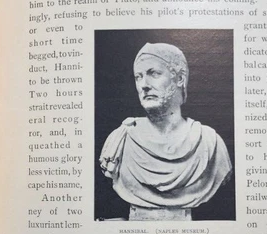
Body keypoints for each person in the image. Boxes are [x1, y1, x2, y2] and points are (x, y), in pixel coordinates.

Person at [99, 42, 232, 220]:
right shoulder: (121, 140)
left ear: (180, 79)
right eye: (138, 77)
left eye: (154, 73)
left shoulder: (209, 143)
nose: (144, 85)